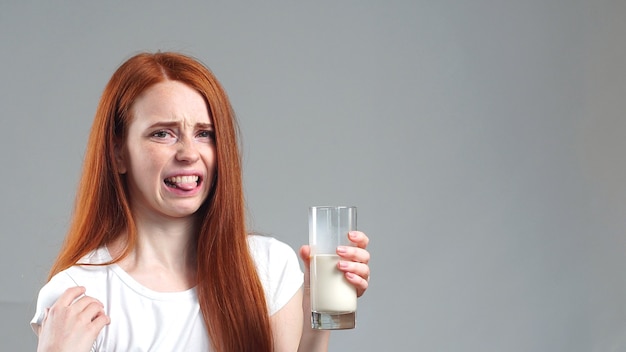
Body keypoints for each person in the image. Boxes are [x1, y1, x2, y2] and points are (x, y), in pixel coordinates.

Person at [30, 51, 371, 352]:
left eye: (204, 134)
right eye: (162, 133)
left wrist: (317, 310)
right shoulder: (76, 294)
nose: (189, 154)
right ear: (118, 153)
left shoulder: (269, 268)